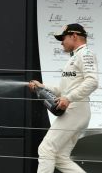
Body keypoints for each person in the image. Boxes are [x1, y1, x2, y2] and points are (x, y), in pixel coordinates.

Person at [28, 23, 99, 173]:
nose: (61, 42)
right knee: (60, 156)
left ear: (74, 36)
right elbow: (62, 90)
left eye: (63, 38)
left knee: (46, 149)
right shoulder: (74, 58)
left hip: (76, 110)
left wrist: (68, 98)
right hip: (76, 111)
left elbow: (92, 81)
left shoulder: (85, 54)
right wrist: (42, 86)